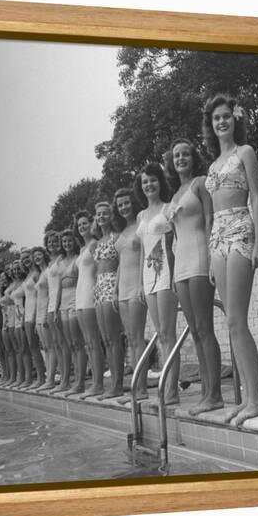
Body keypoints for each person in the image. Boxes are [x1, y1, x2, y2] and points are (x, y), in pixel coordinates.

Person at [202, 93, 258, 426]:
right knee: (230, 322)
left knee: (238, 320)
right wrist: (212, 253)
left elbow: (256, 197)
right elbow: (212, 213)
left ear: (234, 119)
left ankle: (255, 400)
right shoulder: (212, 166)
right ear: (211, 125)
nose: (222, 121)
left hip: (241, 230)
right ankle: (247, 399)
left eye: (226, 116)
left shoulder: (246, 153)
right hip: (218, 240)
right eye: (216, 118)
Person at [165, 138, 224, 415]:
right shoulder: (175, 194)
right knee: (195, 334)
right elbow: (173, 238)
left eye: (185, 154)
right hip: (181, 267)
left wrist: (213, 258)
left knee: (205, 329)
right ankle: (205, 392)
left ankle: (215, 394)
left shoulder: (200, 183)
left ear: (193, 157)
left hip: (200, 259)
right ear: (172, 161)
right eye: (176, 155)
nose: (181, 158)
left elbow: (211, 220)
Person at [134, 162, 179, 405]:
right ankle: (166, 386)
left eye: (152, 180)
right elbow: (142, 250)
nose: (149, 184)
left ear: (160, 182)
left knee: (168, 333)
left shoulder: (169, 208)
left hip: (166, 273)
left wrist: (173, 277)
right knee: (160, 333)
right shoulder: (141, 215)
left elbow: (175, 245)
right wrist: (141, 283)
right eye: (144, 182)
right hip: (148, 275)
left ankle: (171, 391)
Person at [112, 188, 149, 403]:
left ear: (132, 203)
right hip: (123, 290)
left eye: (126, 203)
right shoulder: (122, 231)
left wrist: (143, 285)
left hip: (136, 287)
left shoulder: (140, 225)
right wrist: (116, 290)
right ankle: (136, 387)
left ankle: (141, 389)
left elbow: (145, 255)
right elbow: (120, 264)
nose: (123, 207)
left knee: (137, 339)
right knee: (130, 339)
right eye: (120, 205)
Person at [93, 201, 125, 399]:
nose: (102, 217)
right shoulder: (98, 241)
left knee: (114, 338)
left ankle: (118, 385)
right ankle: (112, 383)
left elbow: (122, 263)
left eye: (105, 213)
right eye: (99, 214)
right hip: (98, 286)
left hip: (111, 283)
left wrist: (116, 289)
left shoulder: (117, 237)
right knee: (105, 339)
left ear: (110, 215)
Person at [73, 210, 105, 399]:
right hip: (80, 295)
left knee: (94, 341)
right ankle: (94, 382)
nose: (82, 227)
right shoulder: (82, 249)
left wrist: (97, 292)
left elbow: (101, 267)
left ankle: (99, 383)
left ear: (90, 225)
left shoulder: (94, 244)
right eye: (79, 225)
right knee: (88, 343)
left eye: (85, 223)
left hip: (90, 293)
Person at [56, 229, 88, 396]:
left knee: (78, 342)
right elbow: (58, 288)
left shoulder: (77, 259)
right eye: (64, 242)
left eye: (69, 241)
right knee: (70, 344)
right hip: (63, 302)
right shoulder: (60, 262)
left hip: (76, 296)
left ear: (74, 242)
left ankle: (81, 381)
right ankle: (75, 380)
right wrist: (56, 308)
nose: (67, 244)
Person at [45, 231, 71, 393]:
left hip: (58, 305)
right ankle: (62, 378)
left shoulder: (62, 260)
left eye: (55, 241)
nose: (53, 244)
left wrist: (56, 307)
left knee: (63, 343)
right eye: (49, 242)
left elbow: (62, 285)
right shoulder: (50, 263)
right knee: (56, 344)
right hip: (50, 304)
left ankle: (66, 380)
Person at [20, 248, 46, 389]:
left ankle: (42, 377)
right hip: (27, 314)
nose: (25, 260)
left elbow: (39, 294)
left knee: (35, 347)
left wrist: (36, 315)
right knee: (32, 347)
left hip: (35, 313)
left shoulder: (36, 274)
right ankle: (40, 377)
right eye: (23, 258)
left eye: (27, 257)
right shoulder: (28, 274)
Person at [33, 246, 57, 390]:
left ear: (44, 254)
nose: (37, 257)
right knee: (46, 347)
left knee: (51, 346)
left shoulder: (48, 271)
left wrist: (48, 314)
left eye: (39, 254)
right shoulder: (41, 273)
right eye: (35, 256)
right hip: (39, 314)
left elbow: (51, 293)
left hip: (46, 311)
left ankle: (51, 379)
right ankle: (48, 377)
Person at [10, 259, 26, 388]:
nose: (16, 271)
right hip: (15, 317)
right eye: (14, 269)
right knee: (18, 349)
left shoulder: (24, 282)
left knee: (25, 349)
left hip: (23, 315)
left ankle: (27, 378)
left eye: (18, 268)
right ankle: (20, 377)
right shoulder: (13, 283)